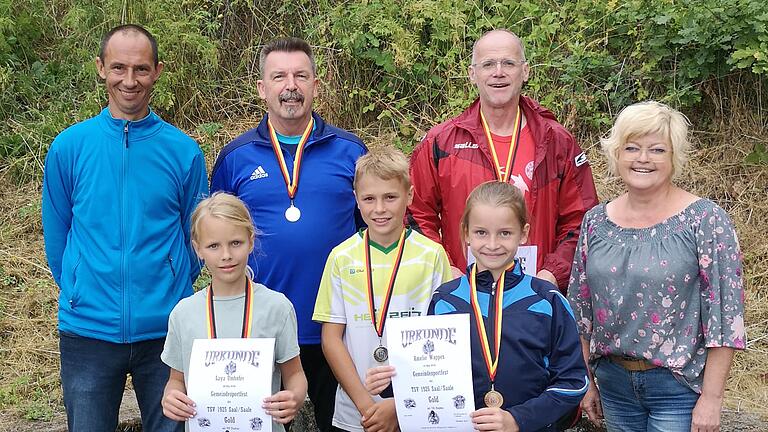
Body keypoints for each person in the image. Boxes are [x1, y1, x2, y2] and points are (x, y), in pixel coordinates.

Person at [41, 24, 208, 432]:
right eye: (118, 67)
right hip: (88, 331)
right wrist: (80, 288)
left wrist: (169, 283)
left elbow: (197, 235)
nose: (129, 81)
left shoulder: (183, 151)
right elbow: (57, 235)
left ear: (157, 71)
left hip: (167, 332)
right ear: (100, 68)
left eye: (141, 69)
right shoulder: (69, 147)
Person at [210, 37, 366, 430]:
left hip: (338, 329)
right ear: (262, 88)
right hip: (261, 330)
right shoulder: (235, 158)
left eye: (300, 75)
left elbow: (373, 235)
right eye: (279, 76)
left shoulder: (349, 151)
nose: (290, 86)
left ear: (316, 83)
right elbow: (218, 238)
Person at [567, 101, 746, 432]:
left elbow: (725, 316)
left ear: (674, 157)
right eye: (632, 148)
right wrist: (587, 380)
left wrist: (712, 398)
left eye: (657, 149)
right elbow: (580, 311)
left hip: (678, 388)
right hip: (614, 385)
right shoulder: (595, 222)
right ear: (616, 154)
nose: (643, 158)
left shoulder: (705, 220)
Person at [367, 181, 588, 432]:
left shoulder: (547, 300)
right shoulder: (445, 300)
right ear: (466, 233)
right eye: (481, 232)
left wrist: (519, 419)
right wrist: (391, 381)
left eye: (505, 233)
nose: (492, 244)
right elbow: (431, 372)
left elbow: (573, 382)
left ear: (524, 233)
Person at [408, 29, 598, 292]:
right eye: (488, 64)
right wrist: (445, 267)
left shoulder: (557, 141)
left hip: (534, 293)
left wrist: (551, 275)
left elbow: (581, 220)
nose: (499, 72)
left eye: (508, 63)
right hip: (465, 291)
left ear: (525, 71)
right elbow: (416, 213)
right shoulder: (441, 142)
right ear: (472, 74)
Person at [312, 146, 453, 432]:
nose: (379, 209)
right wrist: (368, 407)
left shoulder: (432, 255)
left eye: (390, 197)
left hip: (417, 409)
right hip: (357, 415)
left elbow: (445, 340)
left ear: (409, 196)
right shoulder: (341, 257)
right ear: (356, 199)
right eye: (369, 198)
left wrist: (401, 405)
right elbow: (331, 339)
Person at [160, 192, 307, 431]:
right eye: (214, 246)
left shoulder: (277, 307)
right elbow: (176, 381)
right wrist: (172, 398)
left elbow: (295, 375)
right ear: (198, 249)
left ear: (250, 240)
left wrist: (295, 397)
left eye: (235, 243)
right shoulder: (183, 313)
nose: (226, 255)